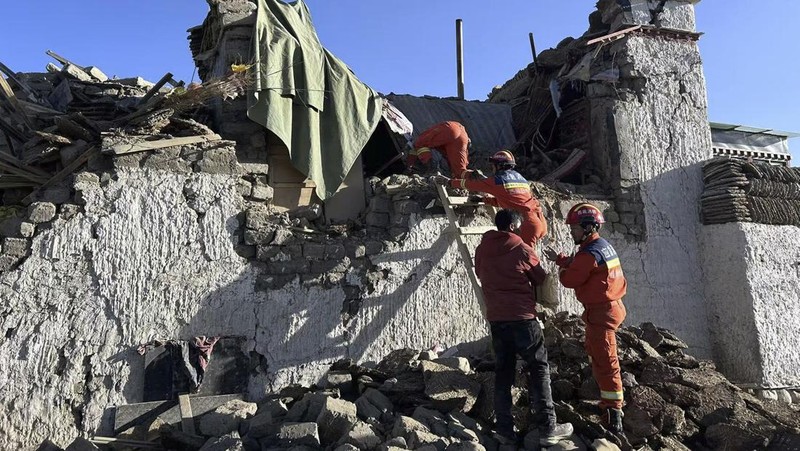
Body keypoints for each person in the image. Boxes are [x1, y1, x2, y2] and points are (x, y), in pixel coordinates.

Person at [475, 209, 573, 446]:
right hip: (523, 319)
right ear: (512, 227)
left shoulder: (482, 249)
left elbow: (479, 273)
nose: (521, 230)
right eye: (518, 227)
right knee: (539, 368)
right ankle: (548, 427)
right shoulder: (521, 248)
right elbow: (540, 278)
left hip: (497, 320)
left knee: (503, 372)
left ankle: (504, 429)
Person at [543, 203, 627, 434]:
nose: (571, 232)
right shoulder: (599, 246)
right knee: (596, 351)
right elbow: (582, 264)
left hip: (602, 313)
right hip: (606, 309)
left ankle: (613, 412)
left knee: (606, 361)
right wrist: (560, 259)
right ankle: (607, 404)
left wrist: (560, 271)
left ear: (589, 227)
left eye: (575, 228)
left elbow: (571, 279)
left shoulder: (590, 252)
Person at [439, 150, 548, 247]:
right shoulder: (521, 179)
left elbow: (471, 184)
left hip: (527, 224)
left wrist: (449, 182)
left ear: (499, 166)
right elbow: (511, 201)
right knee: (524, 260)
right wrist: (484, 200)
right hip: (540, 221)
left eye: (493, 165)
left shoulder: (498, 180)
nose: (492, 168)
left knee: (524, 262)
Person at [406, 121, 472, 178]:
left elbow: (416, 146)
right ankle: (477, 178)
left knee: (419, 144)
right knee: (459, 171)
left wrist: (409, 166)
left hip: (450, 128)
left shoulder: (424, 136)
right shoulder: (443, 145)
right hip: (463, 135)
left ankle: (432, 169)